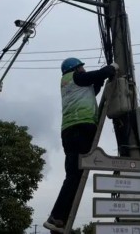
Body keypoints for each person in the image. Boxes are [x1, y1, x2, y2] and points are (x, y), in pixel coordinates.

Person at [44, 57, 118, 233]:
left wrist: (101, 78)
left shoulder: (71, 84)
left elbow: (94, 87)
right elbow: (99, 75)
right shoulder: (74, 77)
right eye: (82, 68)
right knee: (73, 177)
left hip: (70, 132)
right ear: (75, 69)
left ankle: (59, 220)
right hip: (80, 129)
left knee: (74, 176)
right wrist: (112, 68)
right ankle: (56, 217)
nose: (84, 70)